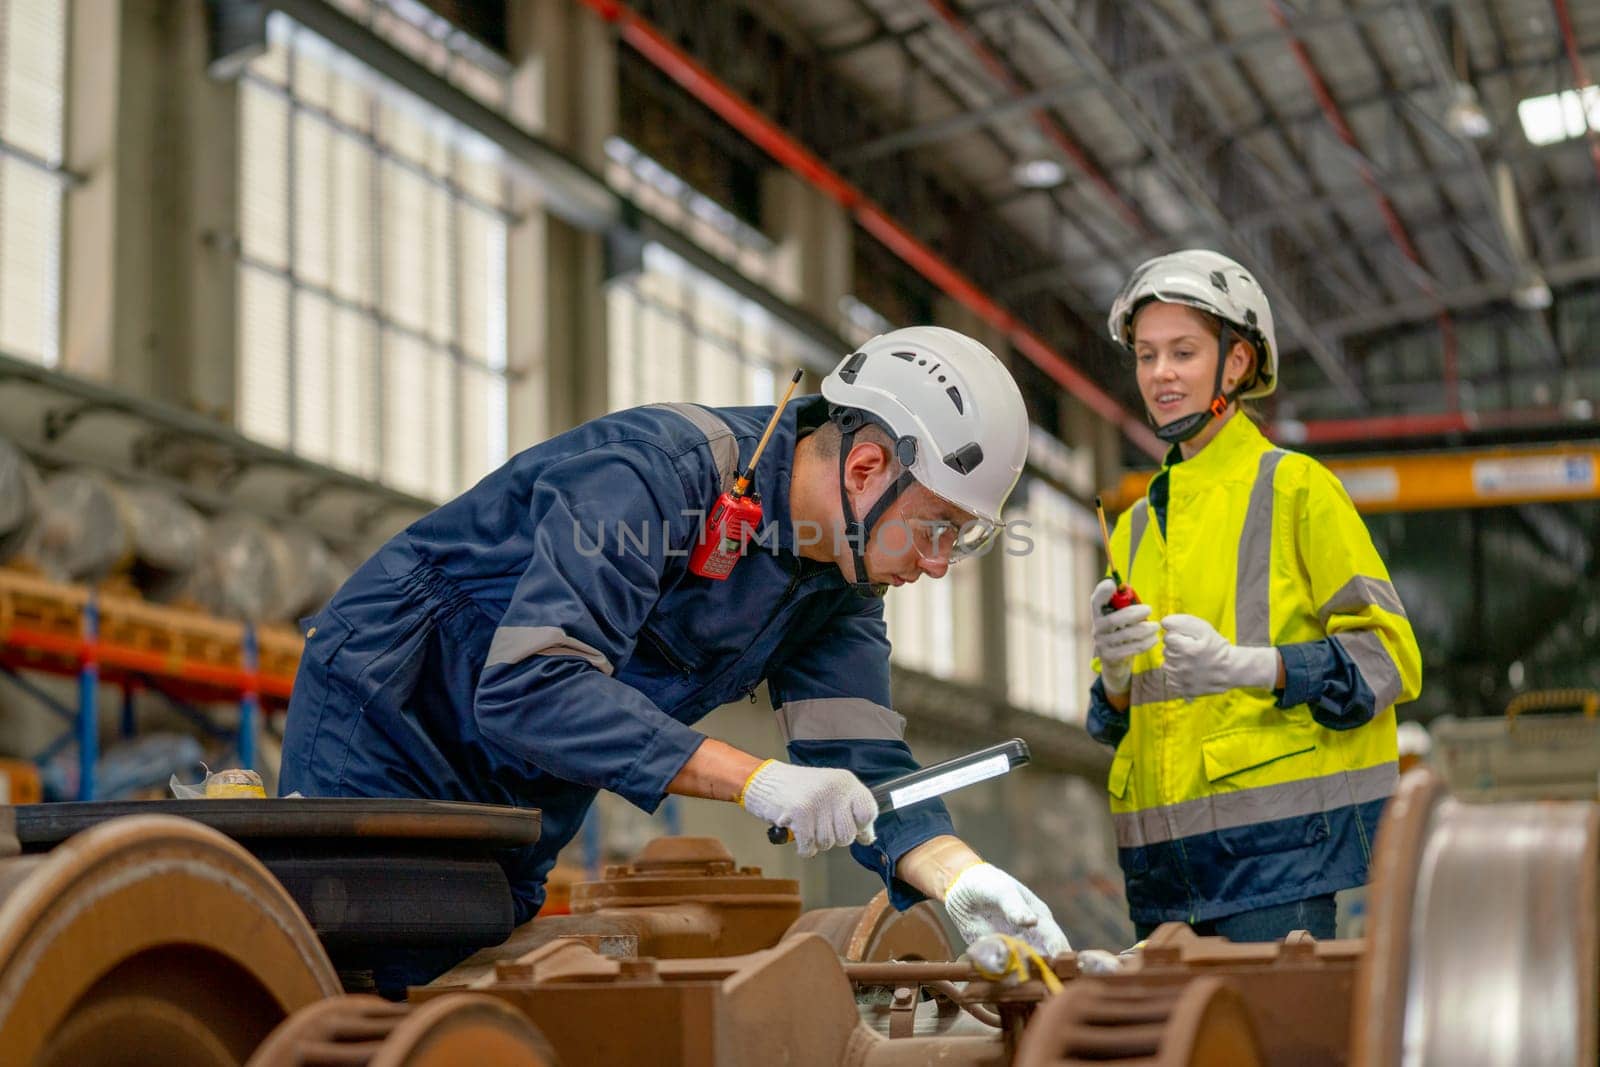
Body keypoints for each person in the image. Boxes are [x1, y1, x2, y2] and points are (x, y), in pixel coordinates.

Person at [281, 325, 1070, 987]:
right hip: (391, 710)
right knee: (365, 961)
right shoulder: (650, 476)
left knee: (471, 964)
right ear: (866, 471)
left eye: (962, 541)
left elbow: (861, 757)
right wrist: (756, 780)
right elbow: (530, 685)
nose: (937, 562)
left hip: (528, 777)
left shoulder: (839, 581)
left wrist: (958, 874)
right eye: (937, 527)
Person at [1086, 250, 1422, 943]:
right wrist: (1115, 678)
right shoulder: (1137, 523)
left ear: (1235, 364)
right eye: (1146, 355)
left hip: (1277, 871)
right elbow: (1121, 721)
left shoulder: (1296, 488)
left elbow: (1390, 657)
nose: (1160, 374)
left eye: (1182, 352)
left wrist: (1254, 667)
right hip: (1161, 881)